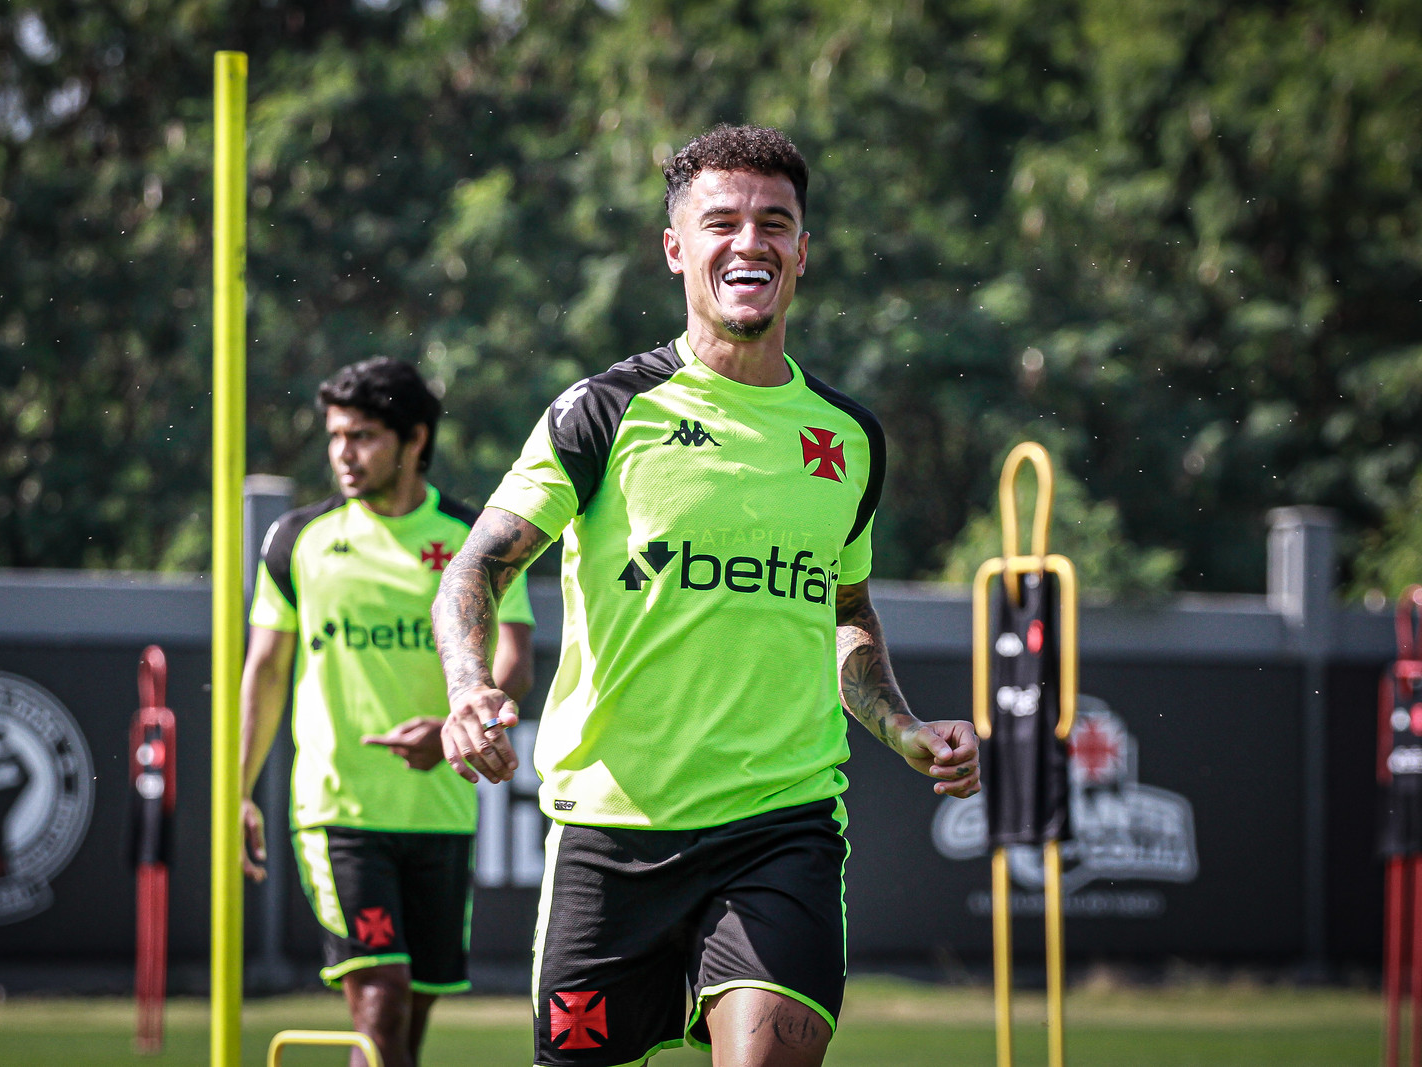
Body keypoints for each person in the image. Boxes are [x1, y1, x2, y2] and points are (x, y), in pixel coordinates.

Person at [430, 125, 981, 1067]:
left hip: (782, 829)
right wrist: (468, 686)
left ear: (804, 250)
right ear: (676, 246)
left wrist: (902, 727)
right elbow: (475, 568)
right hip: (609, 837)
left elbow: (844, 614)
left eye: (776, 222)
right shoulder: (602, 413)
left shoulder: (849, 439)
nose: (750, 242)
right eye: (721, 221)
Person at [240, 357, 535, 1067]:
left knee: (402, 1026)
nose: (343, 452)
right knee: (381, 1000)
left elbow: (515, 661)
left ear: (414, 441)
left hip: (442, 811)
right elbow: (266, 669)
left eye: (364, 435)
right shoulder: (297, 542)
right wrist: (239, 790)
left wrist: (455, 732)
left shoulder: (475, 540)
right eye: (336, 435)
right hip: (340, 811)